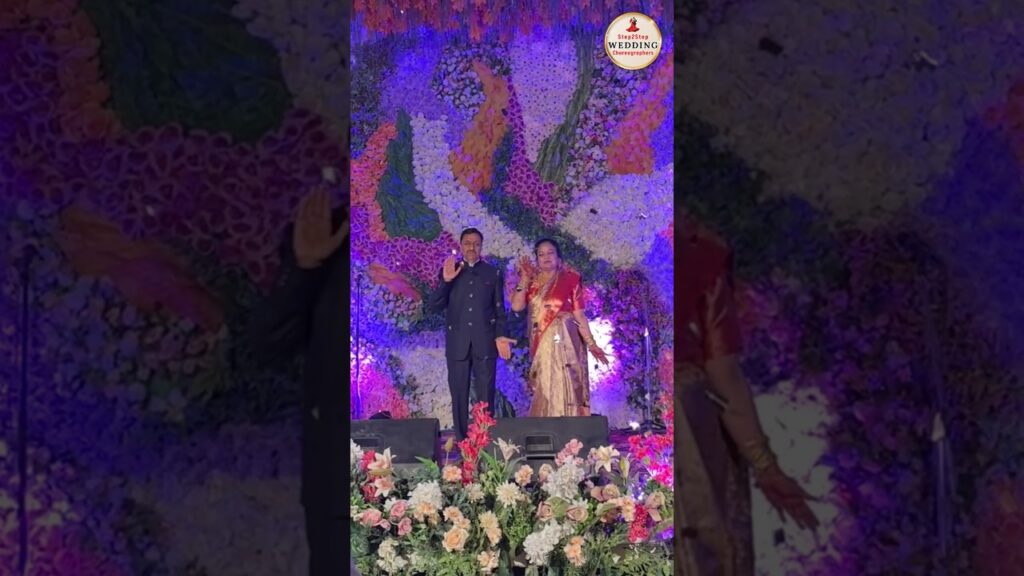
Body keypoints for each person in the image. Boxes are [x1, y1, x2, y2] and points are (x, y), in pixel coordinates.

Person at [675, 218, 819, 576]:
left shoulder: (582, 241)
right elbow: (722, 371)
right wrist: (765, 465)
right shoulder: (696, 247)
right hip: (685, 422)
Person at [247, 187, 347, 576]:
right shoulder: (329, 233)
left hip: (432, 473)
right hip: (339, 484)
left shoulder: (456, 235)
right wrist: (305, 268)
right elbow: (266, 347)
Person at [426, 228, 513, 440]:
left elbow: (499, 309)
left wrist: (500, 335)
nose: (471, 247)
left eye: (476, 243)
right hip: (458, 343)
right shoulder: (450, 270)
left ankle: (483, 440)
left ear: (481, 246)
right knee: (458, 394)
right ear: (461, 245)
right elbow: (434, 306)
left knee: (485, 395)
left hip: (485, 342)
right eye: (467, 243)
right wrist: (446, 281)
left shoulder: (492, 273)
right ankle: (462, 441)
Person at [508, 238, 609, 417]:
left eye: (550, 253)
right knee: (546, 382)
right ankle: (546, 424)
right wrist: (524, 279)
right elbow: (516, 307)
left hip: (567, 340)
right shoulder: (531, 282)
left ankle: (570, 424)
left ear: (558, 257)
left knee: (567, 379)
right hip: (540, 341)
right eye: (541, 254)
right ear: (537, 259)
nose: (546, 257)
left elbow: (579, 315)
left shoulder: (570, 279)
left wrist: (592, 344)